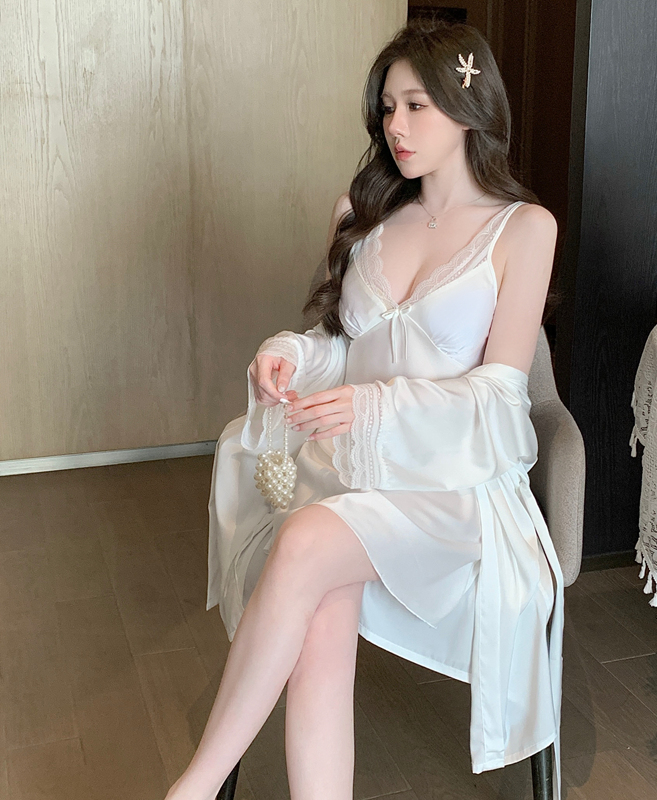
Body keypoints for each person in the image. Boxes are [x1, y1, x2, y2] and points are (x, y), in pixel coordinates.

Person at [166, 19, 562, 800]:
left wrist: (377, 408)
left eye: (417, 105)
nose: (396, 126)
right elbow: (343, 345)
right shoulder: (363, 210)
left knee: (307, 541)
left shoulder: (524, 229)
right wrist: (291, 353)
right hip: (347, 471)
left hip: (450, 487)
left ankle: (192, 789)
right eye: (387, 108)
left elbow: (499, 397)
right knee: (321, 605)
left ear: (468, 104)